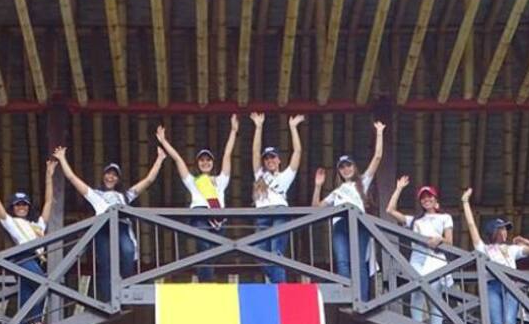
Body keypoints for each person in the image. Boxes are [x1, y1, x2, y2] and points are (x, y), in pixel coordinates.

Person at [53, 145, 166, 300]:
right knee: (106, 264)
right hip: (103, 228)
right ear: (103, 176)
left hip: (122, 226)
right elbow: (73, 179)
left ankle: (125, 289)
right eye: (108, 174)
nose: (110, 177)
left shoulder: (125, 196)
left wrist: (160, 158)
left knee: (128, 252)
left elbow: (149, 180)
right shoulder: (96, 194)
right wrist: (62, 158)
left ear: (118, 179)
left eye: (114, 175)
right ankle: (108, 299)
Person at [156, 118, 239, 282]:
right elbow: (179, 160)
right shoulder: (193, 181)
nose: (205, 162)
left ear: (212, 163)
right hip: (200, 216)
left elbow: (227, 154)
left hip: (219, 221)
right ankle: (206, 283)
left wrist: (233, 131)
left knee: (210, 254)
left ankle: (205, 280)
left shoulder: (220, 180)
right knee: (206, 248)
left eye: (208, 160)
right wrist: (164, 141)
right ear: (198, 164)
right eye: (202, 160)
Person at [312, 121, 385, 299]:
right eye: (342, 167)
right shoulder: (336, 192)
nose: (346, 169)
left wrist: (379, 133)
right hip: (340, 225)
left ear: (354, 167)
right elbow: (315, 207)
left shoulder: (363, 182)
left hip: (358, 224)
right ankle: (347, 295)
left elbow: (377, 158)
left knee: (358, 261)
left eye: (348, 165)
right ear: (339, 171)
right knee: (343, 262)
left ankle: (361, 297)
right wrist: (317, 186)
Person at [460, 188, 529, 324]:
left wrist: (523, 240)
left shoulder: (511, 249)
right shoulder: (484, 248)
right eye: (502, 229)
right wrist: (465, 202)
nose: (505, 232)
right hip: (492, 286)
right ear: (494, 232)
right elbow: (471, 226)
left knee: (510, 323)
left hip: (510, 285)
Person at [0, 158, 56, 324]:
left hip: (37, 261)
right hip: (24, 258)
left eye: (24, 204)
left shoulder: (37, 225)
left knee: (26, 297)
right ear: (13, 207)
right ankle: (36, 322)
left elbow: (48, 202)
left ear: (29, 207)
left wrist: (49, 176)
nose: (22, 207)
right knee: (43, 284)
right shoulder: (11, 222)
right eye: (18, 205)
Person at [385, 177, 455, 324]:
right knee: (415, 294)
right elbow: (390, 210)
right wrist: (398, 188)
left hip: (435, 259)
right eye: (423, 198)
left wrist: (439, 239)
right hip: (417, 259)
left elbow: (450, 241)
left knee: (435, 298)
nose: (426, 199)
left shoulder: (445, 217)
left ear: (435, 199)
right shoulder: (415, 220)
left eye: (429, 196)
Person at [249, 112, 304, 283]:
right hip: (262, 214)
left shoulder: (285, 176)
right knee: (258, 252)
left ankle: (278, 287)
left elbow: (297, 152)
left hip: (280, 212)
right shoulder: (260, 175)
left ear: (279, 160)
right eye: (267, 158)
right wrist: (258, 127)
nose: (269, 160)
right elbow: (255, 151)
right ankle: (279, 283)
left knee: (276, 252)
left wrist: (293, 128)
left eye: (273, 157)